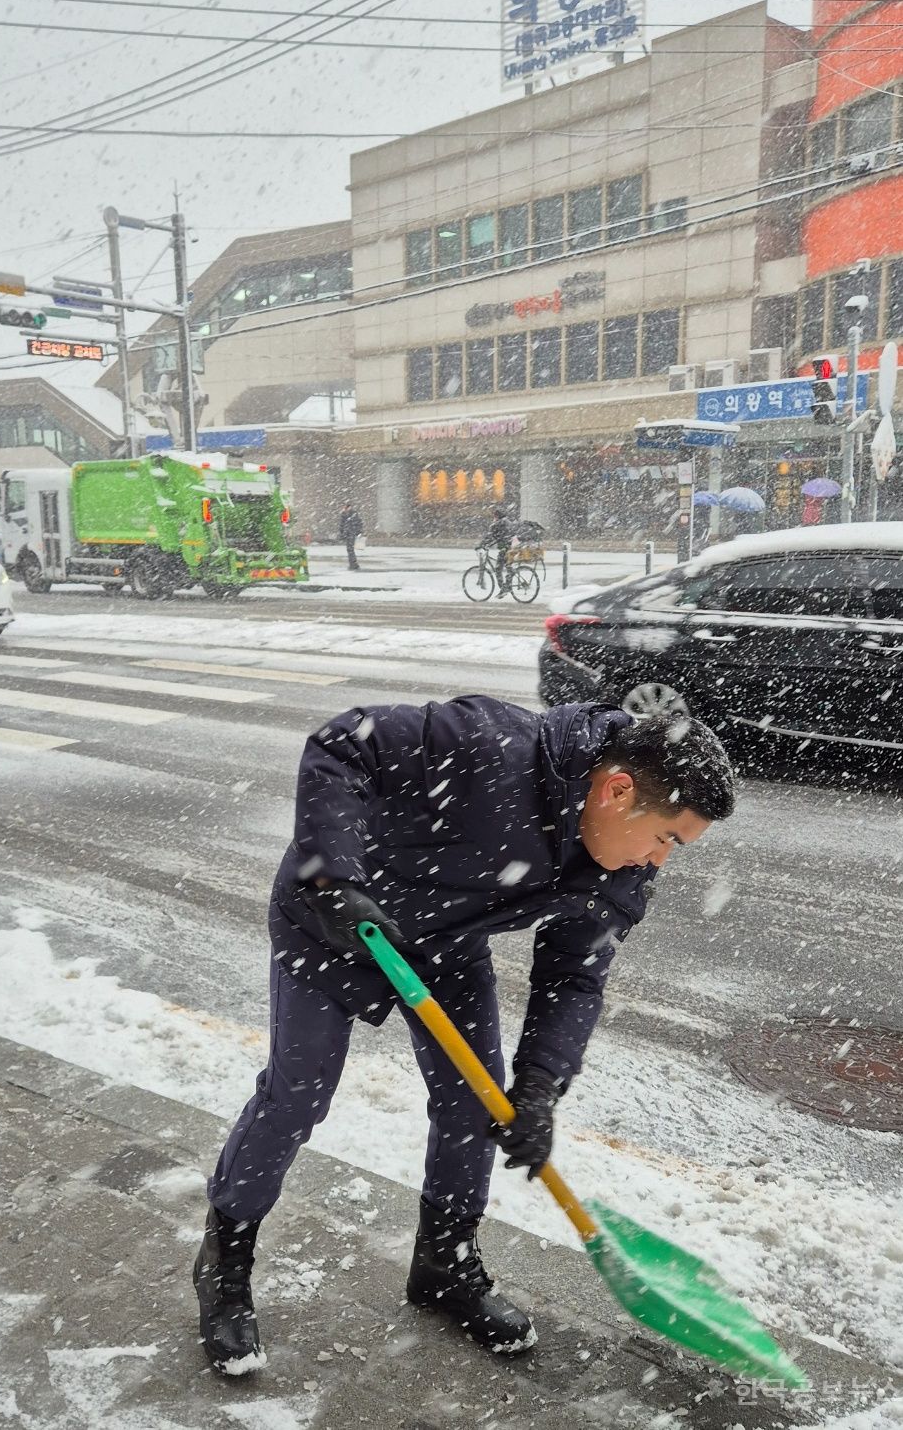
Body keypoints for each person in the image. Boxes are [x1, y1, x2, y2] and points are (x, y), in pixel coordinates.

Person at [194, 698, 735, 1373]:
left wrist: (539, 1085)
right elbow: (343, 744)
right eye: (666, 839)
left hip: (445, 946)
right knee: (297, 1095)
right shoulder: (492, 745)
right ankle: (225, 1259)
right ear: (616, 790)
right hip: (334, 919)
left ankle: (443, 1267)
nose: (660, 861)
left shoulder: (616, 875)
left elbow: (572, 977)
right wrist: (333, 877)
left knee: (474, 1105)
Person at [481, 507, 515, 596]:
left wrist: (484, 544)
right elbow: (498, 536)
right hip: (510, 548)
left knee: (498, 569)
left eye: (495, 516)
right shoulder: (506, 522)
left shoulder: (500, 523)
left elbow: (493, 535)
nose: (494, 518)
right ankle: (508, 585)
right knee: (507, 566)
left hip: (505, 548)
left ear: (498, 516)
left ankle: (504, 588)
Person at [338, 502, 363, 571]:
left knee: (350, 549)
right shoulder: (344, 514)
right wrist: (342, 534)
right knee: (349, 550)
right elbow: (341, 525)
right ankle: (353, 563)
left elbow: (358, 523)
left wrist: (358, 532)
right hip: (348, 534)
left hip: (351, 534)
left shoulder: (353, 514)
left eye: (345, 507)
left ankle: (353, 564)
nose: (344, 509)